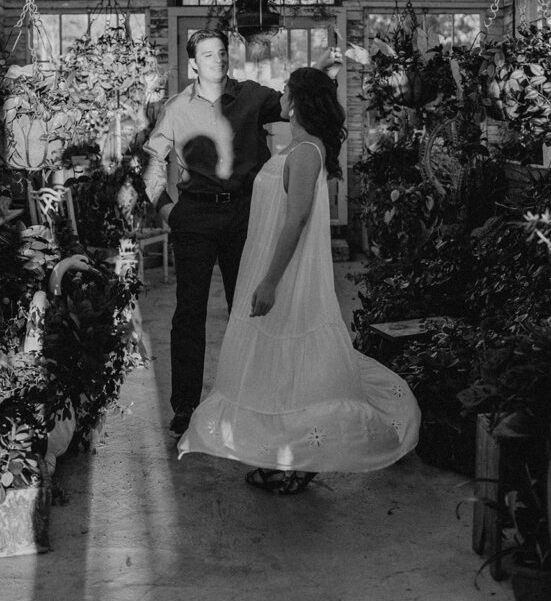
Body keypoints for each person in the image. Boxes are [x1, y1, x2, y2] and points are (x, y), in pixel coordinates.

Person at [178, 67, 420, 494]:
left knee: (292, 364)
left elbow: (297, 219)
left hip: (286, 273)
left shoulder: (307, 152)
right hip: (269, 263)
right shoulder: (297, 146)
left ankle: (298, 461)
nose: (282, 96)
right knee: (278, 367)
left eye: (287, 90)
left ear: (301, 100)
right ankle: (282, 455)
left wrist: (270, 281)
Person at [143, 27, 341, 437]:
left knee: (248, 311)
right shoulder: (176, 108)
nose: (217, 59)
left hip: (243, 220)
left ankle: (249, 400)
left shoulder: (253, 95)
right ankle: (185, 408)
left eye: (222, 52)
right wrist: (166, 209)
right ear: (193, 63)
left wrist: (323, 68)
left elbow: (300, 100)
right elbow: (151, 163)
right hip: (193, 218)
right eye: (208, 54)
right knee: (189, 314)